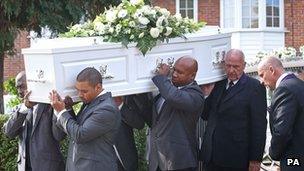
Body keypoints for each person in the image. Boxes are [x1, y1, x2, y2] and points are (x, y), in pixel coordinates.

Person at [200, 49, 267, 171]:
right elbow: (205, 115)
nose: (231, 70)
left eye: (236, 66)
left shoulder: (255, 87)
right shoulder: (218, 84)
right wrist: (206, 95)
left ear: (244, 65)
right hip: (211, 156)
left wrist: (255, 159)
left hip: (236, 157)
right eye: (228, 66)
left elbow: (259, 126)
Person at [49, 67, 121, 171]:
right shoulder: (91, 102)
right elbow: (74, 128)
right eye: (77, 90)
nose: (80, 95)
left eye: (84, 91)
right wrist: (67, 108)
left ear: (98, 87)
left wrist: (61, 112)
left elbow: (80, 134)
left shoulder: (107, 109)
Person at [147, 56, 205, 171]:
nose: (174, 74)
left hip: (180, 162)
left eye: (180, 72)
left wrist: (162, 77)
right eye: (174, 70)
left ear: (192, 76)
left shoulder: (196, 95)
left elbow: (173, 97)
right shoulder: (166, 90)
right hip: (159, 160)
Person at [3, 71, 65, 171]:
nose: (19, 91)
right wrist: (24, 108)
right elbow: (9, 132)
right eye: (17, 87)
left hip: (48, 167)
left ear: (32, 85)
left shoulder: (50, 107)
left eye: (22, 86)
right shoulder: (19, 109)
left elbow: (59, 136)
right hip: (24, 167)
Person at [257, 56, 304, 171]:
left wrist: (273, 155)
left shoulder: (284, 89)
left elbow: (282, 131)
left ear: (272, 70)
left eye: (262, 75)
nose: (262, 82)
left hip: (293, 160)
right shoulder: (299, 84)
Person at [113, 93, 152, 171]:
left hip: (125, 159)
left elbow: (139, 124)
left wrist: (120, 105)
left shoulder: (127, 94)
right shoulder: (90, 96)